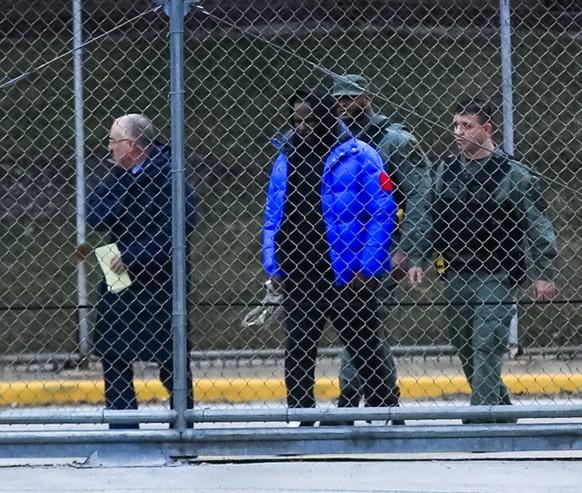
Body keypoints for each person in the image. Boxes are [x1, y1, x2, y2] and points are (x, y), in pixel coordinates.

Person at [410, 96, 557, 422]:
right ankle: (502, 415)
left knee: (487, 345)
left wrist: (544, 272)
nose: (458, 132)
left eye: (467, 126)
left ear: (486, 129)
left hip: (497, 276)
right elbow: (428, 218)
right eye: (455, 125)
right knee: (464, 346)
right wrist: (417, 257)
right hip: (455, 273)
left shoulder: (512, 174)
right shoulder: (444, 171)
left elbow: (538, 224)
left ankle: (477, 422)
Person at [262, 88, 399, 423]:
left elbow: (383, 211)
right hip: (300, 272)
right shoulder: (286, 157)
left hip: (347, 275)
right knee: (298, 347)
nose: (302, 126)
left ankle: (386, 411)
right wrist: (274, 264)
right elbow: (272, 214)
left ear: (327, 118)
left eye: (310, 119)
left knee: (365, 345)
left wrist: (368, 267)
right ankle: (301, 417)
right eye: (296, 120)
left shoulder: (361, 155)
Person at [332, 74, 432, 420]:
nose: (343, 104)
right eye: (339, 99)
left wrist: (408, 248)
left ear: (367, 98)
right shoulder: (331, 141)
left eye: (350, 97)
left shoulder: (394, 142)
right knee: (364, 324)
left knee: (359, 320)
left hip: (380, 246)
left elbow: (420, 196)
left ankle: (349, 397)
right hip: (343, 250)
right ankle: (386, 397)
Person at [86, 114, 197, 429]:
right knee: (114, 353)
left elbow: (178, 230)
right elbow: (95, 214)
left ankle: (183, 425)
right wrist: (124, 184)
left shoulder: (169, 176)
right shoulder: (119, 177)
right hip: (121, 285)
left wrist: (133, 254)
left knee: (172, 360)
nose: (109, 148)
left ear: (132, 144)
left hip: (160, 285)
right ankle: (124, 431)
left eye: (113, 141)